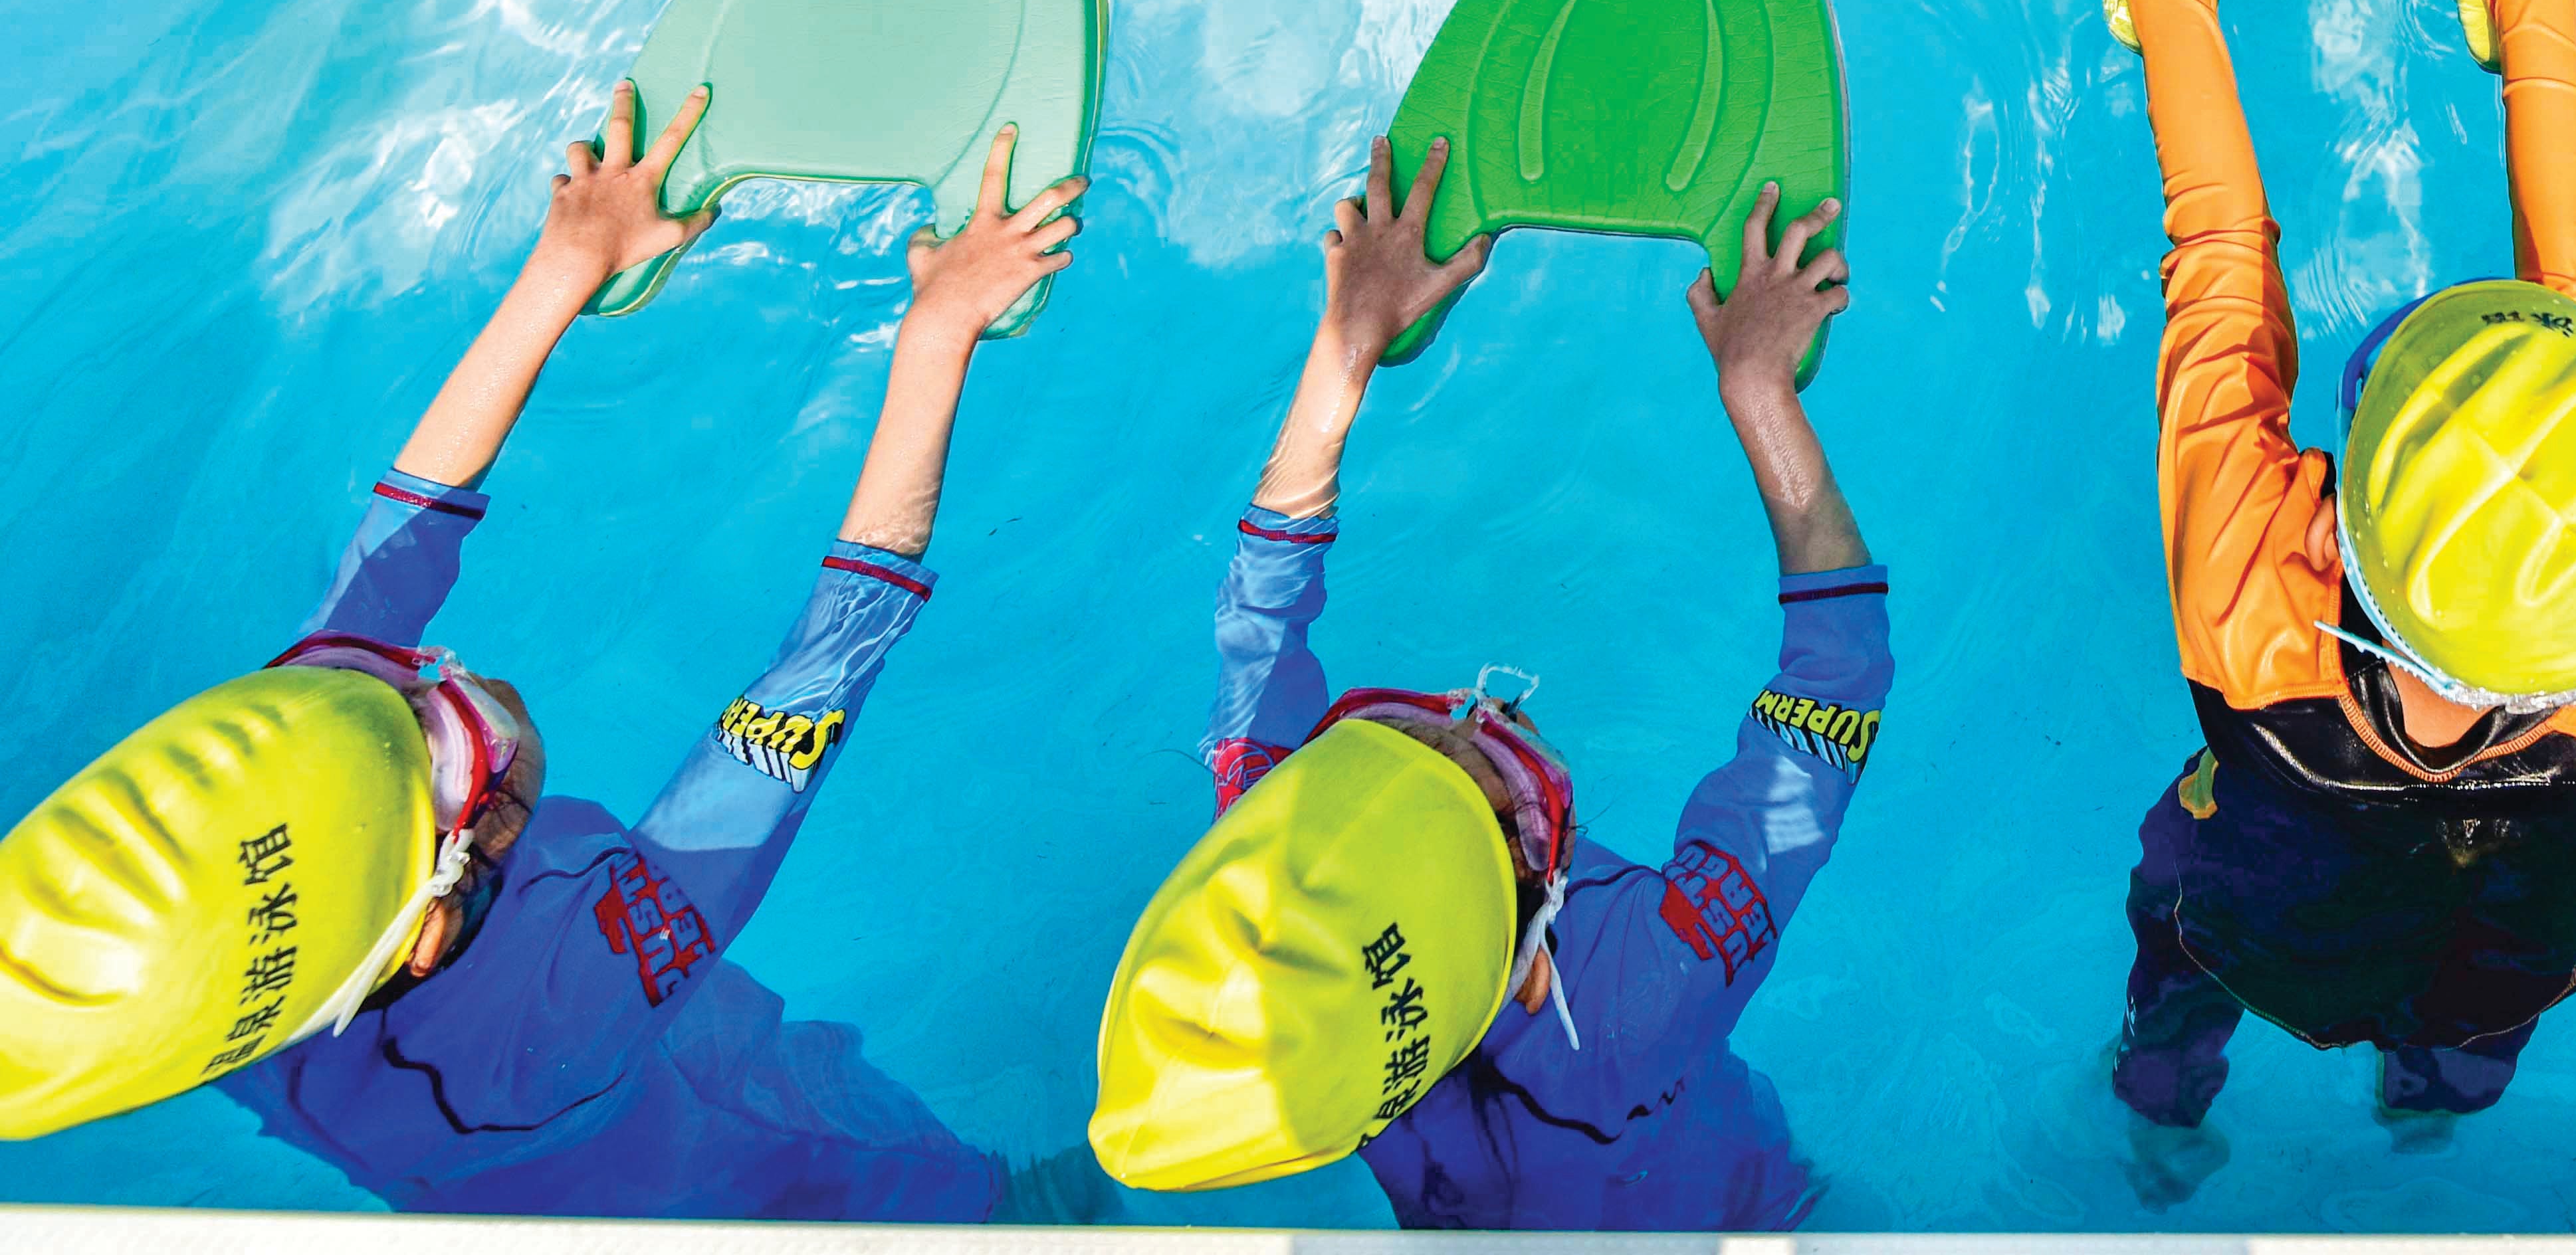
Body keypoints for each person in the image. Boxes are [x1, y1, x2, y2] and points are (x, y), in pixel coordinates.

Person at [0, 82, 1087, 1220]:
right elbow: (816, 677)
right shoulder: (586, 996)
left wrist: (567, 263)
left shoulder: (242, 932)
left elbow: (410, 516)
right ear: (432, 918)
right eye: (437, 713)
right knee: (946, 1186)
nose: (438, 665)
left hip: (415, 1150)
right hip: (700, 1158)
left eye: (375, 683)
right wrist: (937, 335)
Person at [2093, 0, 2576, 1152]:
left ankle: (2163, 1080)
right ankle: (2432, 1106)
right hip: (2511, 945)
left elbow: (2219, 267)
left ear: (2344, 532)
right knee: (2476, 1015)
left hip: (2275, 915)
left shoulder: (2253, 603)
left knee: (2182, 909)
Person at [1088, 144, 1888, 1228]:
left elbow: (1259, 607)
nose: (1480, 713)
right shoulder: (1648, 990)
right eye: (1499, 776)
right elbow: (1836, 678)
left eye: (1403, 734)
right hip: (1718, 1200)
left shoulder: (1289, 858)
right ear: (1522, 970)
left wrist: (1347, 342)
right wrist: (1758, 395)